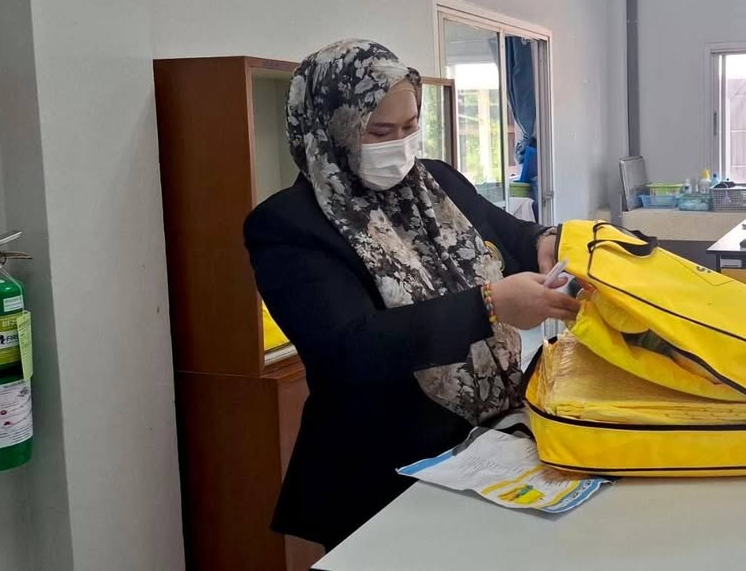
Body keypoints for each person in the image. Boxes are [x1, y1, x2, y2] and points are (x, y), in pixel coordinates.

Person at [244, 39, 581, 549]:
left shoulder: (437, 182)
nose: (399, 146)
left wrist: (544, 241)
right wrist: (489, 305)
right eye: (379, 132)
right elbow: (350, 348)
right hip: (378, 470)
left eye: (410, 127)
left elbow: (507, 234)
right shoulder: (288, 225)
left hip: (485, 445)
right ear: (330, 128)